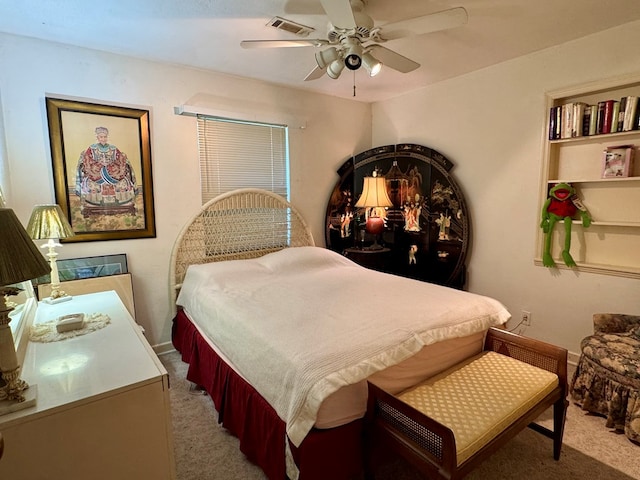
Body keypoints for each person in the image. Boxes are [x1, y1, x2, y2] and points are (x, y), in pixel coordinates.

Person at [75, 127, 137, 214]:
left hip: (113, 171)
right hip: (96, 172)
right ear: (97, 138)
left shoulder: (113, 148)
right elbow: (87, 159)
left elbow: (120, 158)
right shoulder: (92, 148)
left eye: (105, 137)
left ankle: (125, 205)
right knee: (89, 183)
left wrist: (116, 163)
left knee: (124, 181)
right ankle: (91, 206)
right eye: (101, 137)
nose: (103, 139)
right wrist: (99, 165)